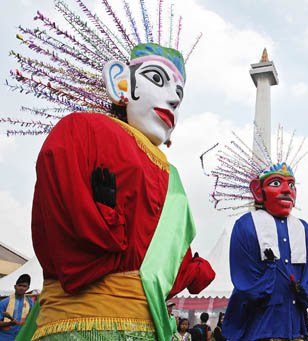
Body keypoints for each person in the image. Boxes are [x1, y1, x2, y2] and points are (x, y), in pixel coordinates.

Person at [9, 2, 216, 339]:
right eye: (157, 79)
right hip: (80, 327)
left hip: (145, 327)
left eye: (179, 93)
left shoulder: (172, 177)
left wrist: (191, 270)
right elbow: (70, 241)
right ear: (121, 82)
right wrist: (102, 224)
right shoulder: (84, 131)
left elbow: (165, 268)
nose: (175, 100)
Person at [204, 130, 308, 341]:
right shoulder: (247, 225)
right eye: (277, 183)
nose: (287, 190)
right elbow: (244, 279)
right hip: (259, 326)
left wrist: (303, 290)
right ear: (258, 190)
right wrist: (272, 279)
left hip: (293, 325)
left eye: (292, 185)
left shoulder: (303, 229)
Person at [0, 274, 33, 340]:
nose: (21, 288)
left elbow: (31, 321)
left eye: (24, 286)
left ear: (28, 288)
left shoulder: (30, 303)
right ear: (15, 286)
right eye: (19, 285)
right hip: (4, 337)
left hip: (22, 337)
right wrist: (9, 323)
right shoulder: (4, 302)